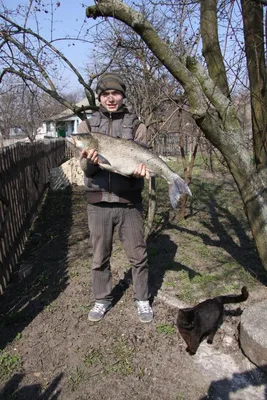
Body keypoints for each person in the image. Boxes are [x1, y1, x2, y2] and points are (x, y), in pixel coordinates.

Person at [77, 72, 153, 323]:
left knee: (138, 255)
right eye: (106, 94)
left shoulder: (137, 125)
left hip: (129, 202)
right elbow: (85, 170)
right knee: (99, 256)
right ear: (99, 98)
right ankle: (102, 299)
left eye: (116, 93)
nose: (111, 98)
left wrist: (141, 173)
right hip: (98, 203)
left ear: (122, 96)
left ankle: (142, 298)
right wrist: (91, 162)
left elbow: (139, 166)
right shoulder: (86, 127)